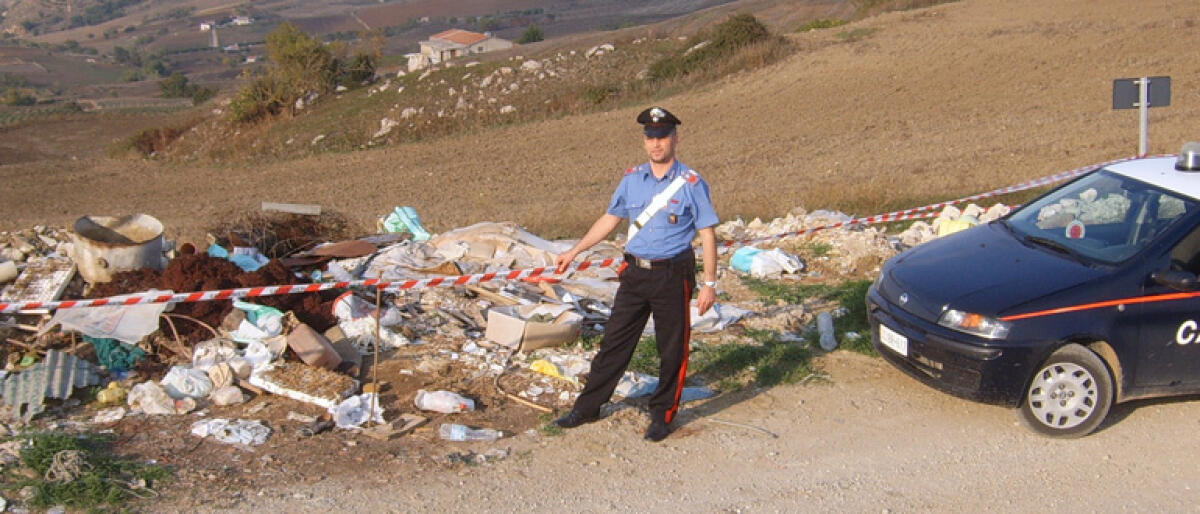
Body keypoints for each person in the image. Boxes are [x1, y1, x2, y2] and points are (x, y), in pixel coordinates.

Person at [552, 106, 719, 442]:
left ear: (675, 138)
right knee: (614, 342)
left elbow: (707, 234)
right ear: (644, 141)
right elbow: (610, 220)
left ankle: (662, 415)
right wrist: (574, 251)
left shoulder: (690, 183)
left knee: (671, 349)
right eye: (650, 137)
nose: (656, 143)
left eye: (662, 136)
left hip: (672, 273)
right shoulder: (631, 180)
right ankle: (587, 408)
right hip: (635, 273)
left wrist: (710, 284)